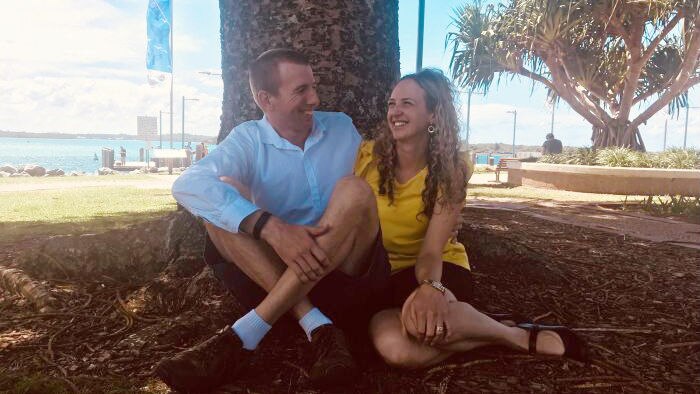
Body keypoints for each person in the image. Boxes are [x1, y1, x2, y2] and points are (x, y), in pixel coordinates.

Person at [157, 49, 390, 392]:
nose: (315, 98)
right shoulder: (248, 139)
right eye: (301, 91)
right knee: (219, 199)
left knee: (354, 189)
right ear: (266, 99)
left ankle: (245, 333)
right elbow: (187, 185)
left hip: (348, 275)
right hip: (277, 272)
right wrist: (270, 227)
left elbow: (382, 183)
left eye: (313, 86)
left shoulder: (341, 126)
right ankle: (318, 326)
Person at [355, 68, 588, 369]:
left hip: (437, 268)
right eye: (391, 103)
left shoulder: (451, 169)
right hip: (383, 277)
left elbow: (431, 250)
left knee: (419, 327)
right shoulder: (366, 157)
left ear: (433, 116)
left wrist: (430, 287)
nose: (395, 112)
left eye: (407, 104)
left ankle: (504, 334)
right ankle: (504, 334)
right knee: (396, 350)